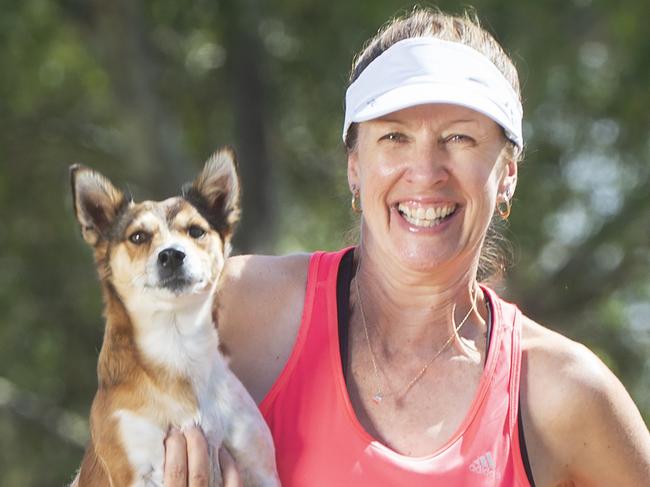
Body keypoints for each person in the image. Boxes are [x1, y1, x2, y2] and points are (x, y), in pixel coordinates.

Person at [164, 7, 650, 486]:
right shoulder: (234, 309)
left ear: (507, 175)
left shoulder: (560, 391)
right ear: (355, 166)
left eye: (459, 138)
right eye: (394, 136)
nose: (425, 171)